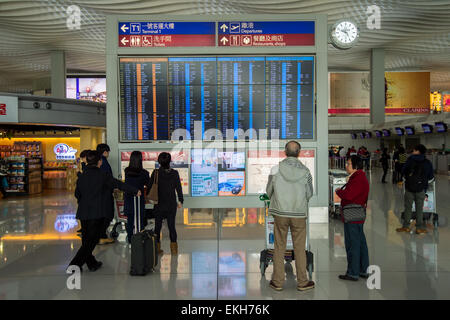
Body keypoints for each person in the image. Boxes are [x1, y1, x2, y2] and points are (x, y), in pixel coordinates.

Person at [68, 150, 140, 272]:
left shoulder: (82, 176)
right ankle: (74, 265)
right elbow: (118, 184)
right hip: (97, 213)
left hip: (84, 212)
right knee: (92, 241)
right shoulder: (103, 175)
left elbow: (77, 194)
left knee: (87, 240)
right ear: (99, 162)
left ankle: (92, 263)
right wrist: (135, 191)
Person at [266, 141, 314, 292]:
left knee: (279, 246)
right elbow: (309, 194)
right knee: (300, 248)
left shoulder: (275, 169)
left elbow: (268, 192)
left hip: (280, 213)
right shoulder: (306, 172)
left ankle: (277, 282)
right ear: (299, 153)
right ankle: (302, 282)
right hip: (299, 214)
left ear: (285, 152)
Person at [335, 155, 370, 281]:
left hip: (353, 215)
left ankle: (353, 272)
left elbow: (349, 195)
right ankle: (363, 269)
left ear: (355, 165)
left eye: (348, 164)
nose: (346, 166)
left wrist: (339, 192)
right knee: (360, 242)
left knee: (352, 244)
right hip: (358, 214)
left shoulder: (358, 178)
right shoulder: (358, 177)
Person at [396, 144, 434, 235]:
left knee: (408, 208)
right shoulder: (427, 162)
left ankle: (406, 227)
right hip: (421, 190)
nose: (413, 152)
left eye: (414, 150)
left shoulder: (409, 160)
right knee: (419, 209)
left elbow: (403, 171)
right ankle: (419, 228)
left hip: (409, 188)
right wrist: (424, 184)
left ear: (418, 151)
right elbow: (431, 176)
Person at [151, 152, 184, 255]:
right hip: (171, 205)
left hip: (159, 204)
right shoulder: (174, 173)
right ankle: (174, 250)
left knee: (157, 227)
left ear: (159, 162)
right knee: (171, 227)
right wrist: (180, 200)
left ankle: (156, 249)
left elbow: (149, 185)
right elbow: (178, 188)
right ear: (170, 161)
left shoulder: (156, 173)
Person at [124, 151, 151, 244]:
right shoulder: (144, 173)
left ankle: (130, 238)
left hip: (129, 198)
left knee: (130, 219)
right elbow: (148, 184)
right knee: (140, 219)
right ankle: (140, 239)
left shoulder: (127, 171)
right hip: (139, 199)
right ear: (140, 160)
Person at [96, 143, 114, 244]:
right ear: (105, 152)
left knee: (103, 215)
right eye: (108, 151)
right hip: (106, 192)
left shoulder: (98, 161)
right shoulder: (104, 162)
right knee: (108, 215)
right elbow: (108, 179)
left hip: (100, 193)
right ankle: (102, 236)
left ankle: (100, 235)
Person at [76, 149, 90, 234]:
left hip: (85, 194)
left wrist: (78, 173)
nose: (82, 160)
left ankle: (85, 228)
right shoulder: (84, 165)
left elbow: (83, 178)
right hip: (82, 193)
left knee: (84, 212)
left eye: (83, 158)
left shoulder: (88, 167)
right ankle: (83, 227)